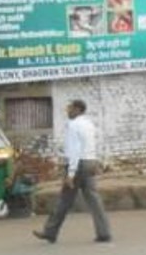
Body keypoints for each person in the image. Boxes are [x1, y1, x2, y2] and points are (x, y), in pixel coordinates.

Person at [33, 99, 112, 244]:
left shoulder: (73, 125)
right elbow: (95, 143)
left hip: (78, 165)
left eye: (69, 108)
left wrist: (70, 173)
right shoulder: (89, 124)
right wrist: (97, 162)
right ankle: (104, 232)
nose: (67, 111)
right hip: (90, 162)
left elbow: (74, 151)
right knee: (94, 199)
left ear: (77, 109)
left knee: (64, 200)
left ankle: (50, 232)